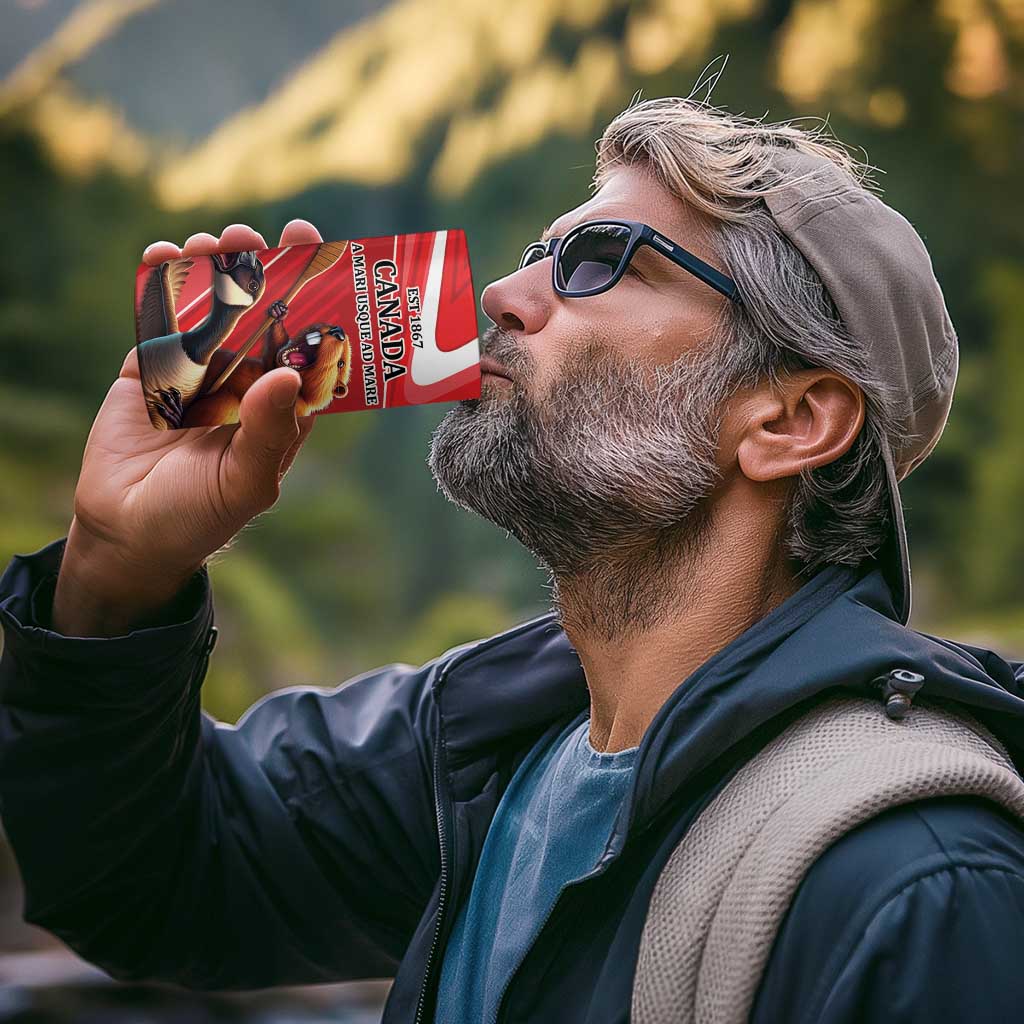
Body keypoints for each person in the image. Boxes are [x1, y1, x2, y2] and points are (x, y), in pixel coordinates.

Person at [2, 96, 1024, 1024]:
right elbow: (148, 879)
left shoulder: (918, 883)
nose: (503, 292)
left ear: (791, 419)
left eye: (599, 261)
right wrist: (116, 570)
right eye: (541, 252)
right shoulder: (479, 749)